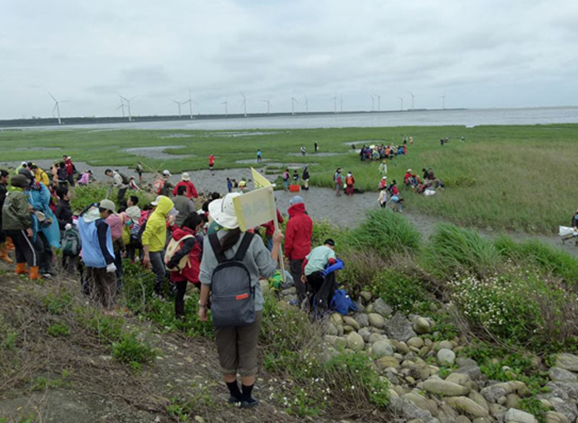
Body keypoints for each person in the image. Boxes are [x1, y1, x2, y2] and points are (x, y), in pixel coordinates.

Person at [198, 193, 283, 408]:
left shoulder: (209, 242)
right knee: (248, 350)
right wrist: (275, 245)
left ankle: (233, 394)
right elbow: (269, 270)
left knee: (225, 349)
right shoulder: (253, 240)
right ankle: (247, 398)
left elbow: (206, 278)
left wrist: (202, 307)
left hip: (221, 305)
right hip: (251, 306)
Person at [77, 203, 117, 309]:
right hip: (101, 259)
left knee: (95, 284)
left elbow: (82, 214)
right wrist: (109, 261)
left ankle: (96, 307)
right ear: (105, 211)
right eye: (109, 213)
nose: (108, 216)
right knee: (109, 284)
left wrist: (94, 204)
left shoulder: (82, 222)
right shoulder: (101, 224)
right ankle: (109, 308)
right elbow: (102, 244)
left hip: (88, 259)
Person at [166, 214, 205, 319]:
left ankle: (179, 315)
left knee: (180, 293)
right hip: (190, 267)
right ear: (195, 225)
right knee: (204, 289)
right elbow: (183, 252)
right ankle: (210, 312)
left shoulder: (178, 233)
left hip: (179, 268)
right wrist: (173, 262)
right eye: (199, 226)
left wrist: (171, 263)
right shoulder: (190, 238)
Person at [2, 175, 37, 277]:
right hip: (18, 225)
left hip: (8, 226)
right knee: (30, 248)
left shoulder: (9, 193)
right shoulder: (20, 195)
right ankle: (34, 273)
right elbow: (23, 213)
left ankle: (20, 269)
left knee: (19, 247)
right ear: (23, 185)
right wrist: (28, 226)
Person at [142, 196, 175, 298]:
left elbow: (160, 228)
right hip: (153, 250)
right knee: (161, 272)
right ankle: (156, 293)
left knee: (167, 268)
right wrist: (146, 255)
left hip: (159, 249)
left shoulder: (160, 217)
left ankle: (167, 288)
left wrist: (167, 221)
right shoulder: (155, 219)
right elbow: (145, 236)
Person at [284, 196, 312, 302]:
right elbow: (309, 235)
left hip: (296, 254)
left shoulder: (292, 221)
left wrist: (287, 254)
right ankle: (310, 296)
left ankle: (302, 300)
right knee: (307, 274)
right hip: (307, 252)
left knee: (297, 276)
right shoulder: (308, 218)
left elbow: (288, 241)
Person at [302, 239, 343, 308]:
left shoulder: (315, 249)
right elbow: (331, 261)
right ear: (332, 246)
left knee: (316, 289)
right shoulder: (330, 251)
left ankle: (311, 306)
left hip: (308, 274)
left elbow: (305, 262)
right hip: (317, 273)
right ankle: (323, 305)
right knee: (329, 277)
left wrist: (303, 274)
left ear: (324, 244)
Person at [0, 170, 12, 264]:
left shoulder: (3, 187)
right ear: (2, 177)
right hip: (2, 214)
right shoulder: (1, 189)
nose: (8, 179)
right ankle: (3, 254)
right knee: (2, 233)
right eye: (7, 177)